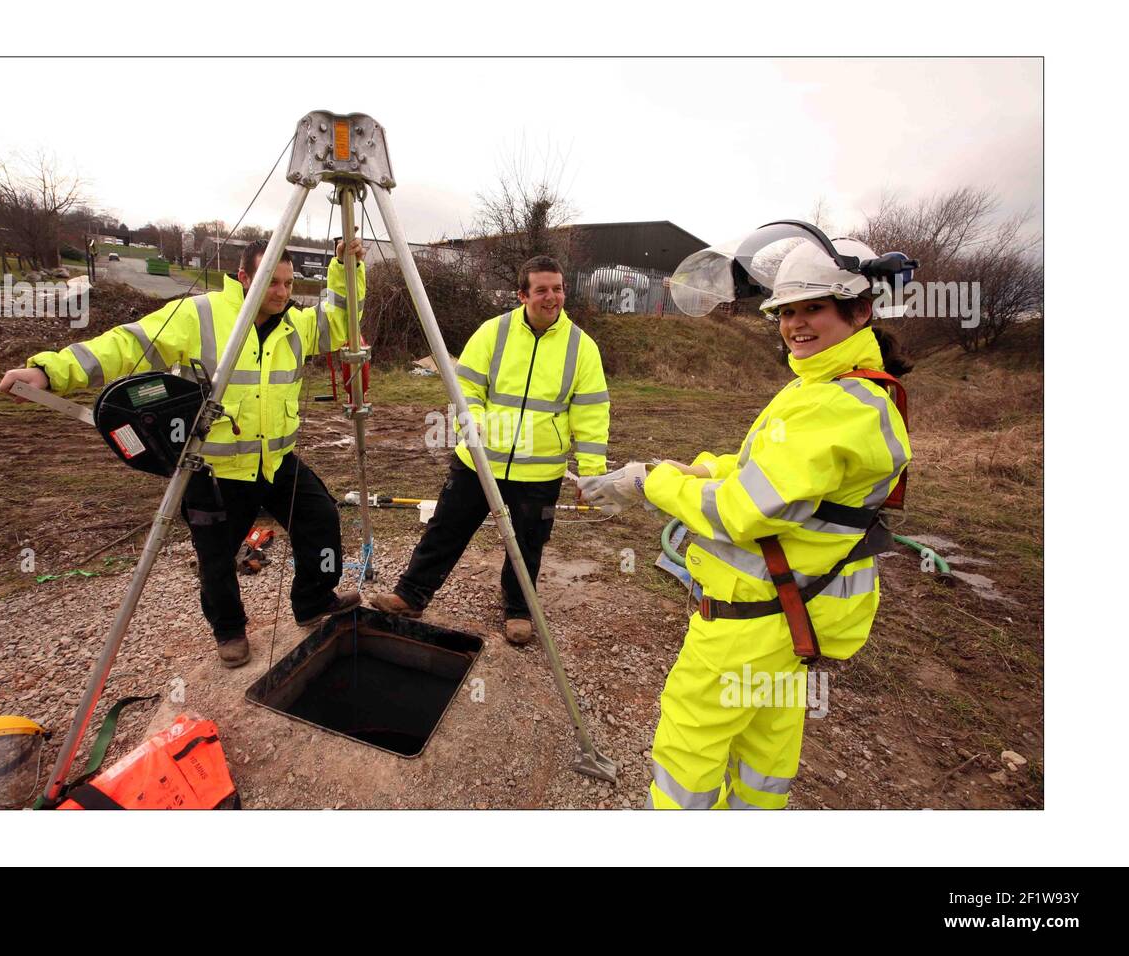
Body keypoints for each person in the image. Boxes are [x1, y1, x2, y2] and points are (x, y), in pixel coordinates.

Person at [596, 236, 913, 808]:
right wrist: (701, 466)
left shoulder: (832, 403)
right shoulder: (842, 389)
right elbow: (778, 479)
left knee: (689, 750)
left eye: (813, 307)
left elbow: (742, 511)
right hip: (799, 618)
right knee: (765, 753)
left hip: (753, 617)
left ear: (860, 309)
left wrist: (651, 482)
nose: (795, 324)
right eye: (786, 311)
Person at [0, 238, 367, 667]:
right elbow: (129, 344)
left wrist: (345, 268)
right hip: (216, 469)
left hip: (275, 461)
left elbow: (341, 319)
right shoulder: (202, 315)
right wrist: (49, 371)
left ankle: (313, 601)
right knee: (216, 556)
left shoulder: (296, 324)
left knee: (320, 519)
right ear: (243, 277)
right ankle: (229, 631)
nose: (282, 293)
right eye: (271, 282)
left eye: (287, 283)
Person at [371, 255, 610, 645]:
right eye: (542, 290)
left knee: (528, 543)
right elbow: (466, 387)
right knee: (446, 528)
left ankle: (518, 609)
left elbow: (592, 411)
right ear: (522, 295)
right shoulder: (492, 333)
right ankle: (411, 595)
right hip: (478, 463)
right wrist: (475, 422)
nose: (552, 297)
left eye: (558, 288)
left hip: (540, 472)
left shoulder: (582, 348)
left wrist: (592, 469)